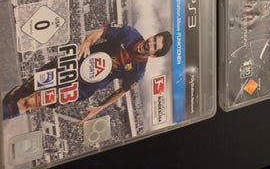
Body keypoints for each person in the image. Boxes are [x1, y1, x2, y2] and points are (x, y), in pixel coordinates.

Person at [2, 24, 172, 123]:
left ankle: (13, 108)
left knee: (27, 103)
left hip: (78, 89)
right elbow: (101, 32)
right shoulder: (129, 34)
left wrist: (100, 108)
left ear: (154, 55)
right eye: (153, 39)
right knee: (25, 90)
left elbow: (122, 91)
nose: (150, 43)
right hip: (69, 67)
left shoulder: (138, 71)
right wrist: (87, 42)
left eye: (154, 46)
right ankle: (17, 95)